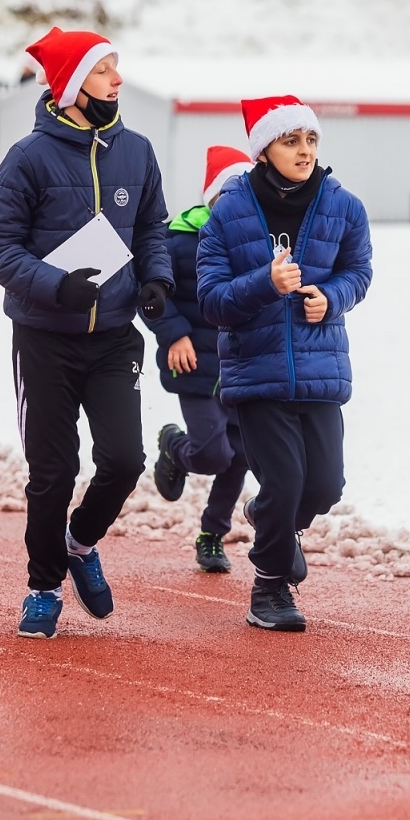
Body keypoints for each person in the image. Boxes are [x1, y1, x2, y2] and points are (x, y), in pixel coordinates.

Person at [0, 27, 172, 640]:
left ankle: (80, 543)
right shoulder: (27, 158)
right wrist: (54, 285)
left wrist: (156, 279)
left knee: (124, 460)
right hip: (45, 338)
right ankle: (42, 588)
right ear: (69, 86)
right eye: (103, 69)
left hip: (115, 336)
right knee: (52, 472)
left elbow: (152, 228)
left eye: (115, 67)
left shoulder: (137, 151)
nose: (117, 79)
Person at [198, 96, 373, 632]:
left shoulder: (344, 205)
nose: (304, 151)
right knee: (286, 479)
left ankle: (267, 518)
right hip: (257, 372)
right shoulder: (227, 211)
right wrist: (264, 284)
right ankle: (269, 587)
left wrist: (333, 297)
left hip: (322, 370)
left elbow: (358, 270)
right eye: (290, 140)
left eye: (311, 140)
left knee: (324, 486)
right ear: (264, 149)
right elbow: (211, 299)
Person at [146, 145, 257, 574]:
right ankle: (174, 446)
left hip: (242, 368)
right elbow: (151, 297)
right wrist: (174, 335)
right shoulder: (176, 239)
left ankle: (212, 533)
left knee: (241, 454)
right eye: (227, 193)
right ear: (211, 196)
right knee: (213, 454)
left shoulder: (254, 243)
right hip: (192, 365)